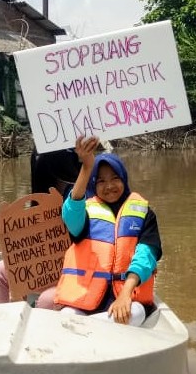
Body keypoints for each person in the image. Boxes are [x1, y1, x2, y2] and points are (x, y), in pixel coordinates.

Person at [55, 135, 162, 326]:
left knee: (134, 313)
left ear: (124, 179)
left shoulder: (145, 214)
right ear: (94, 184)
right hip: (85, 298)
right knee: (67, 317)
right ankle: (90, 331)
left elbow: (146, 256)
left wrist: (125, 294)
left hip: (127, 294)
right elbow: (70, 215)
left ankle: (86, 332)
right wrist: (87, 167)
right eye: (101, 181)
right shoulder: (86, 211)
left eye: (115, 178)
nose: (109, 186)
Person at [0, 146, 81, 307]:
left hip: (74, 268)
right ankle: (1, 324)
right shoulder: (39, 199)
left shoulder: (80, 195)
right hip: (44, 266)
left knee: (46, 300)